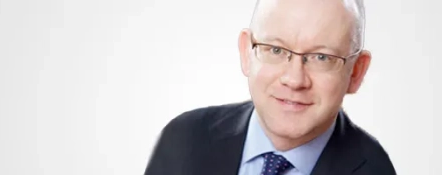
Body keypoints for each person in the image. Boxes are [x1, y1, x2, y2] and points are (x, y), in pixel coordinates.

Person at [144, 0, 396, 174]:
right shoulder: (182, 140)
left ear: (356, 72)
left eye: (322, 57)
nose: (295, 80)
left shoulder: (376, 170)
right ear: (246, 53)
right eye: (275, 50)